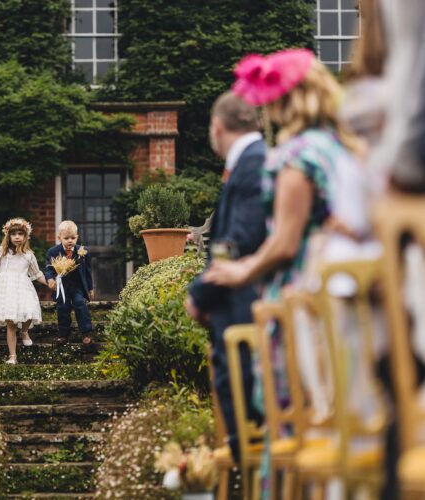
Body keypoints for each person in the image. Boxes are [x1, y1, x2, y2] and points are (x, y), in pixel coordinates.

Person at [204, 48, 364, 497]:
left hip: (300, 293)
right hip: (341, 288)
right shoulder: (341, 148)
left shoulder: (295, 155)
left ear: (282, 101)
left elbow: (284, 242)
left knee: (288, 412)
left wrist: (240, 272)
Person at [186, 91, 266, 462]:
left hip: (245, 304)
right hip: (233, 303)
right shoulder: (248, 162)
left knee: (252, 421)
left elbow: (238, 241)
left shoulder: (252, 164)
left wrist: (200, 293)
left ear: (217, 128)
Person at [0, 218, 49, 364]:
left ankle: (24, 331)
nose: (17, 237)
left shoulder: (29, 255)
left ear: (26, 237)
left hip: (23, 287)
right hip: (6, 288)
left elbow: (37, 274)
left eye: (21, 234)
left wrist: (50, 283)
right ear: (9, 236)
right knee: (11, 323)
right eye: (14, 234)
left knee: (30, 312)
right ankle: (12, 356)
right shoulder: (2, 252)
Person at [44, 220, 94, 345]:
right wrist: (50, 279)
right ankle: (63, 334)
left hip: (77, 286)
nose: (70, 240)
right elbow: (49, 268)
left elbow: (88, 271)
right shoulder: (53, 252)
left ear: (77, 237)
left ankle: (86, 333)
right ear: (59, 238)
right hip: (62, 287)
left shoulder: (83, 251)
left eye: (73, 238)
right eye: (66, 238)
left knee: (80, 305)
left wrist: (90, 288)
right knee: (62, 308)